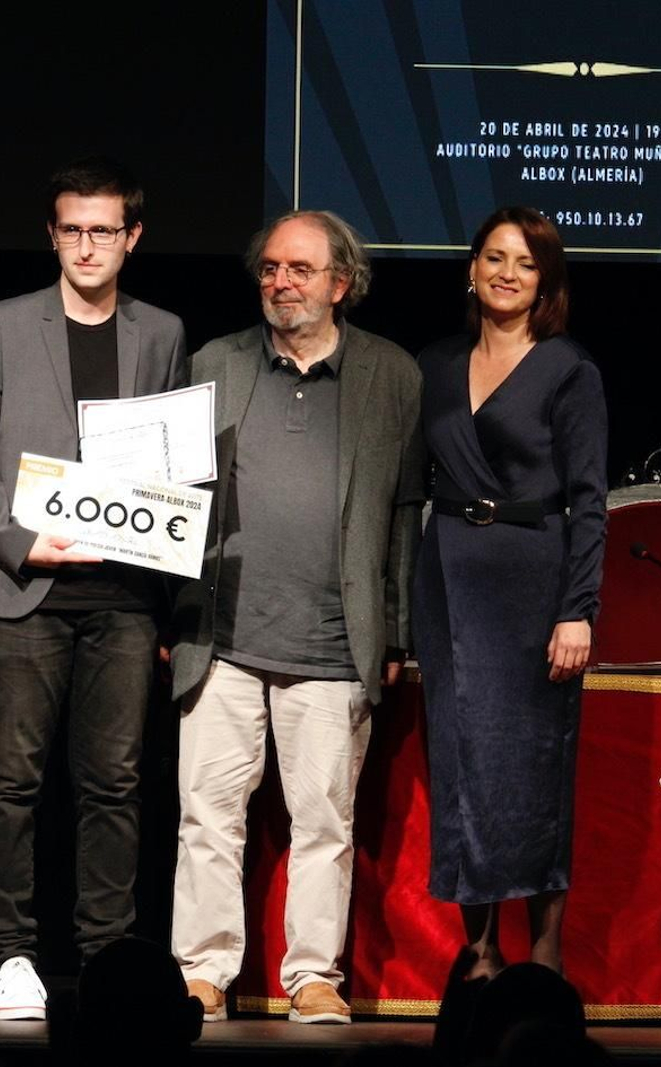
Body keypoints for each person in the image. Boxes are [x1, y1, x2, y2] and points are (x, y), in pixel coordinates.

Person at [167, 209, 425, 1025]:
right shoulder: (214, 362)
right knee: (208, 814)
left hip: (331, 639)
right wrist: (172, 609)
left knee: (324, 821)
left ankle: (313, 975)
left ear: (340, 284)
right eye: (272, 268)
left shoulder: (392, 374)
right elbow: (171, 495)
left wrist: (397, 627)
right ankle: (203, 971)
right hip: (224, 636)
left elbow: (404, 513)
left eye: (300, 269)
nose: (281, 281)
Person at [0, 157, 188, 1020]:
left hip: (122, 598)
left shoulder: (161, 332)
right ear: (53, 235)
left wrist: (165, 590)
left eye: (104, 230)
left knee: (115, 782)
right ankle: (9, 953)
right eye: (72, 229)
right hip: (20, 592)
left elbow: (172, 471)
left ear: (132, 238)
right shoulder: (3, 325)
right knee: (10, 778)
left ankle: (109, 956)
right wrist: (23, 541)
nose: (88, 245)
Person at [412, 205, 607, 980]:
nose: (506, 272)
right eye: (494, 257)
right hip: (450, 577)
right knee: (462, 760)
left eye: (525, 263)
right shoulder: (431, 365)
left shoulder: (570, 370)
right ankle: (480, 947)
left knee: (531, 764)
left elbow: (590, 498)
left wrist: (578, 609)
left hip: (536, 579)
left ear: (545, 282)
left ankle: (545, 948)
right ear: (471, 268)